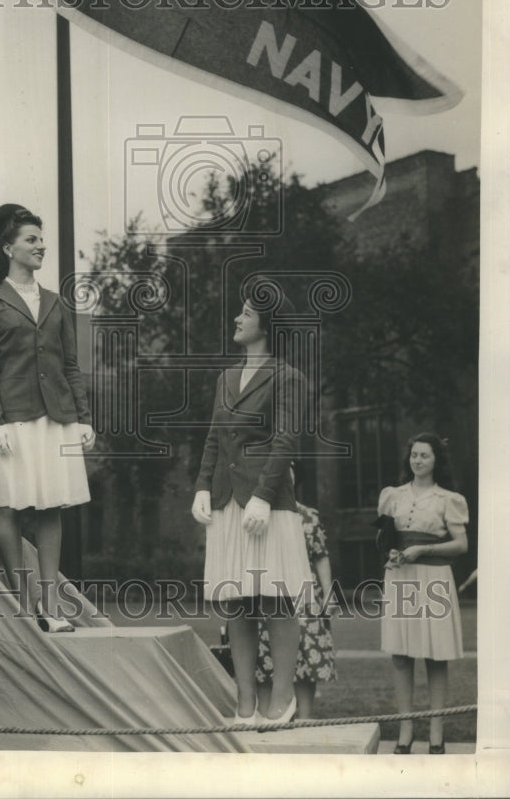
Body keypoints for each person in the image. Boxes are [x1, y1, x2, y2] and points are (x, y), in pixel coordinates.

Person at [191, 281, 311, 725]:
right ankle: (245, 705)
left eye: (245, 313)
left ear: (266, 323)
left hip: (267, 505)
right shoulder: (225, 378)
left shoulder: (288, 377)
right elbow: (212, 439)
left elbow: (284, 441)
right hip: (227, 502)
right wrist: (203, 486)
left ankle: (280, 700)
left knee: (277, 600)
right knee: (238, 603)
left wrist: (262, 496)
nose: (238, 319)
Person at [0, 204, 94, 632]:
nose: (41, 245)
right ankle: (24, 607)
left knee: (51, 509)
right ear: (8, 248)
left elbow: (71, 365)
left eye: (41, 238)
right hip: (13, 420)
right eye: (31, 239)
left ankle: (51, 607)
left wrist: (82, 417)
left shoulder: (57, 303)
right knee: (11, 507)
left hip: (55, 418)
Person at [377, 433, 468, 754]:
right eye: (414, 455)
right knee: (401, 655)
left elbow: (461, 544)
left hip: (434, 580)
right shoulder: (393, 496)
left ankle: (436, 731)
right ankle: (405, 730)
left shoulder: (448, 499)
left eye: (424, 456)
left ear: (436, 461)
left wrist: (423, 549)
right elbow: (384, 537)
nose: (418, 460)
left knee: (434, 654)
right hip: (400, 578)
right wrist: (390, 552)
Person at [255, 499, 337, 718]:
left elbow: (320, 556)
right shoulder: (257, 512)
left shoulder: (308, 514)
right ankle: (264, 715)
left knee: (306, 653)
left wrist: (329, 595)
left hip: (304, 588)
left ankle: (305, 718)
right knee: (263, 652)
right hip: (266, 586)